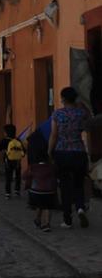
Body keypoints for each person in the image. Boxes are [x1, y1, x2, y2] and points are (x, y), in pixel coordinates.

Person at [49, 87, 91, 229]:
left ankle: (67, 220)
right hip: (79, 152)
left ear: (63, 99)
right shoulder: (81, 114)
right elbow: (89, 126)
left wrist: (50, 151)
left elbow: (54, 135)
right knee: (79, 183)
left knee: (65, 186)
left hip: (62, 152)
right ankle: (80, 208)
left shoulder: (57, 114)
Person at [24, 130, 55, 233]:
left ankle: (38, 219)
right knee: (47, 207)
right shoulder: (51, 167)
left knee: (39, 206)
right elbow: (55, 176)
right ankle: (46, 224)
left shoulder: (33, 167)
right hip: (49, 191)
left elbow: (26, 176)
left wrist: (27, 186)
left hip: (36, 191)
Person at [0, 124, 25, 198]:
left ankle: (8, 193)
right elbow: (23, 151)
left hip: (8, 161)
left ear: (6, 132)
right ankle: (17, 191)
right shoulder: (18, 140)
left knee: (8, 177)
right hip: (17, 161)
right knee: (18, 176)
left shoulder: (5, 140)